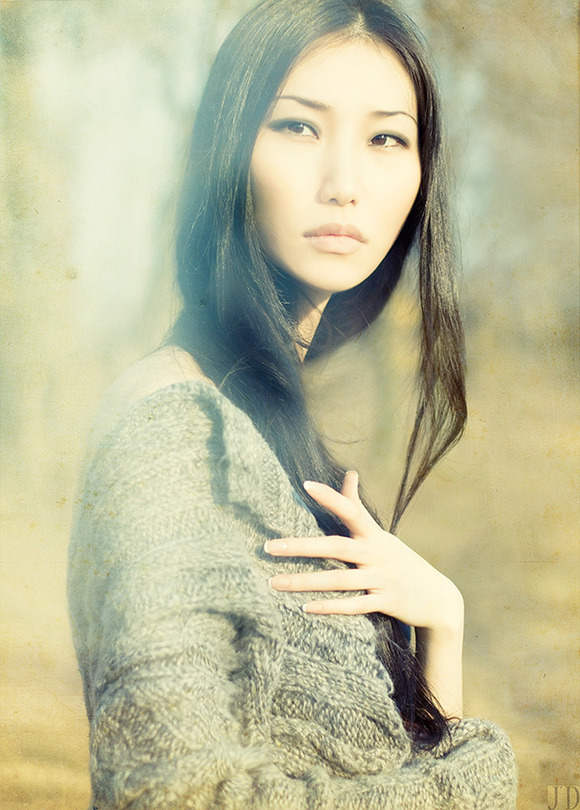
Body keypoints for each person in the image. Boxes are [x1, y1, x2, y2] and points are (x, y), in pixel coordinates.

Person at [68, 0, 518, 807]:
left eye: (387, 138)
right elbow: (169, 795)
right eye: (299, 127)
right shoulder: (177, 433)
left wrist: (441, 625)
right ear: (228, 150)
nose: (344, 184)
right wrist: (474, 781)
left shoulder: (266, 442)